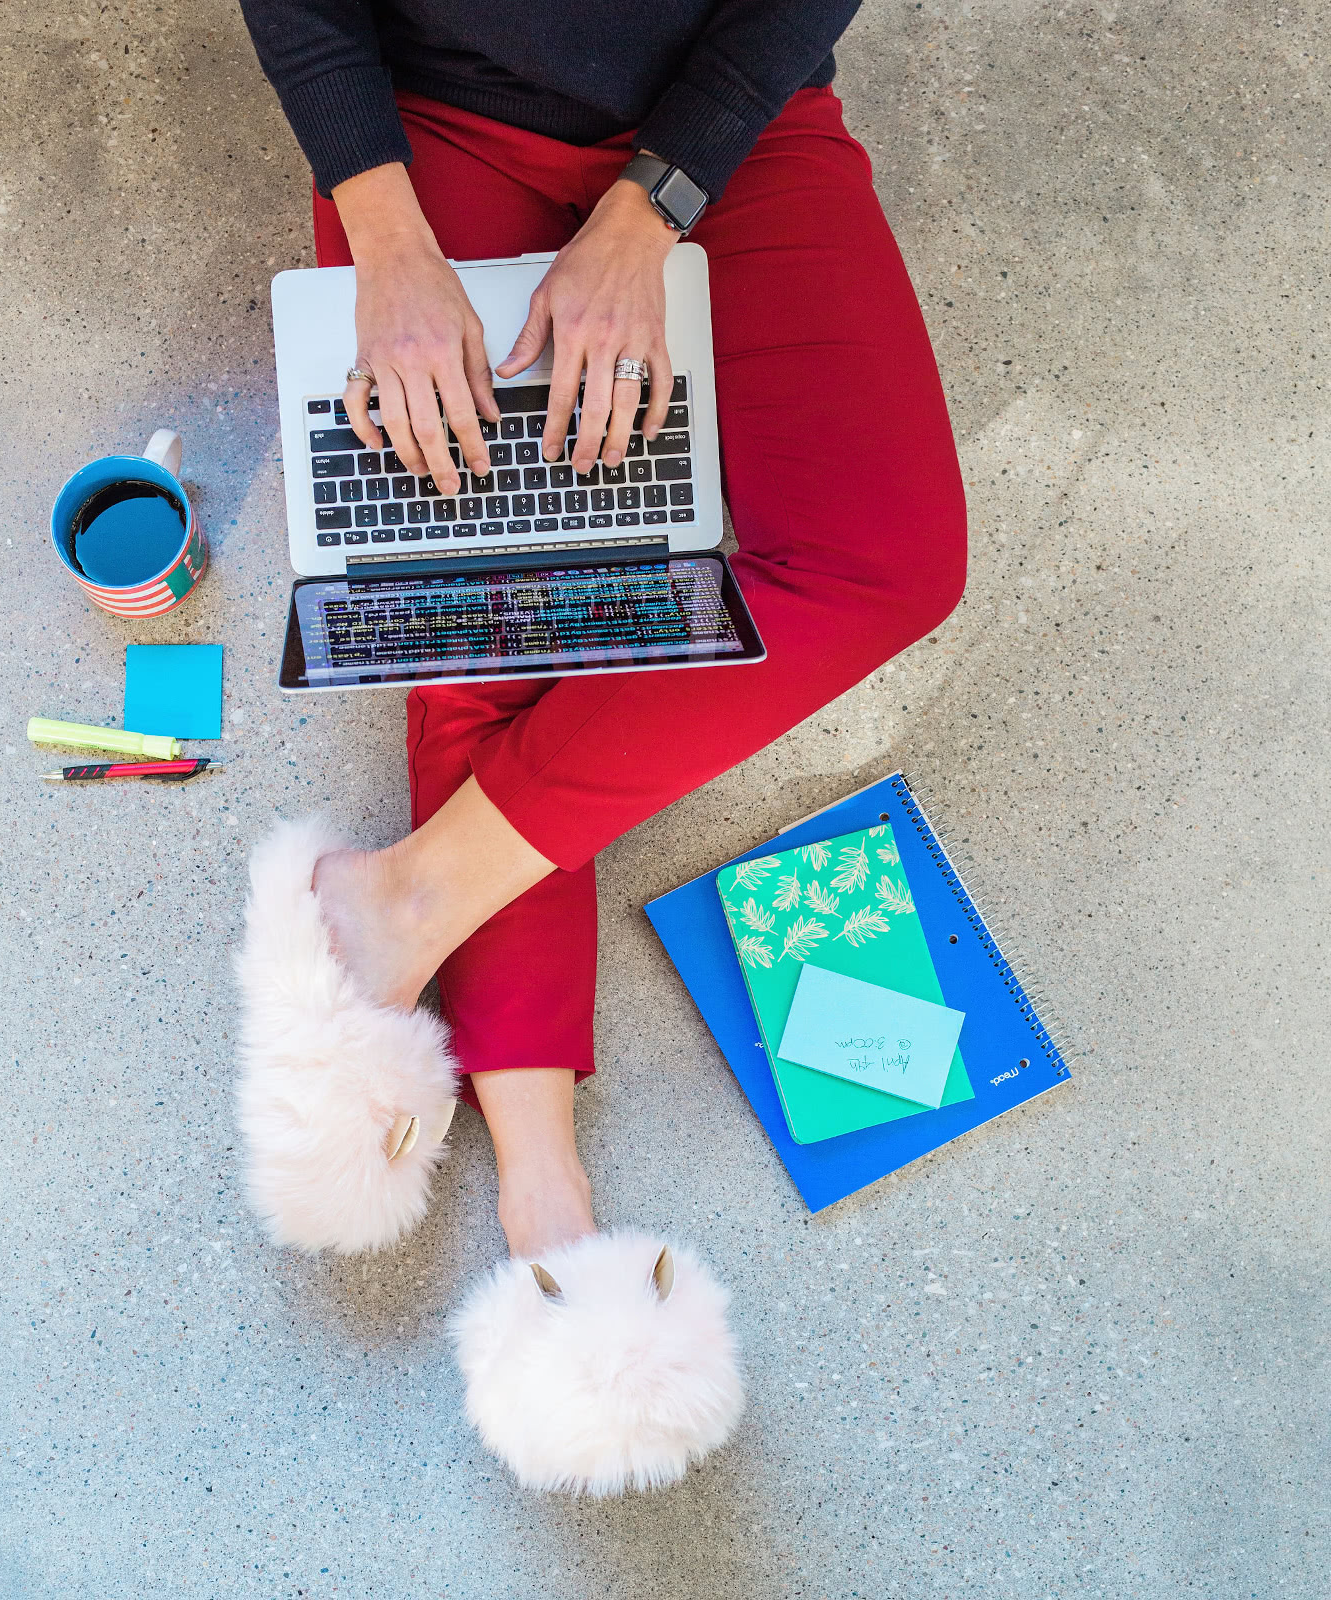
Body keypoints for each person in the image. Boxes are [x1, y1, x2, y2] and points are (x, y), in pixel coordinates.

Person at [234, 0, 967, 1495]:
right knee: (479, 601)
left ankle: (409, 898)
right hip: (430, 127)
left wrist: (658, 206)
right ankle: (544, 1199)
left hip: (721, 122)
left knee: (892, 559)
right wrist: (385, 238)